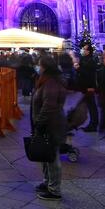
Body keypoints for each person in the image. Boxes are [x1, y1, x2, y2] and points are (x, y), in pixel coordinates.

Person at [31, 55, 66, 200]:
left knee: (52, 156)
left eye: (39, 65)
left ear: (44, 67)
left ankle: (54, 189)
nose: (37, 67)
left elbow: (49, 106)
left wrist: (40, 122)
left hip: (51, 123)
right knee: (45, 154)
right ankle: (47, 182)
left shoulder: (51, 83)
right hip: (47, 123)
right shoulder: (46, 81)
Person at [76, 45, 99, 131]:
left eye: (84, 49)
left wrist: (78, 69)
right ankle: (92, 124)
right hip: (85, 87)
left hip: (89, 87)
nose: (82, 50)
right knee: (90, 106)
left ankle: (93, 125)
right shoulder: (85, 59)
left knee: (92, 106)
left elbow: (89, 75)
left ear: (88, 51)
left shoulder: (90, 61)